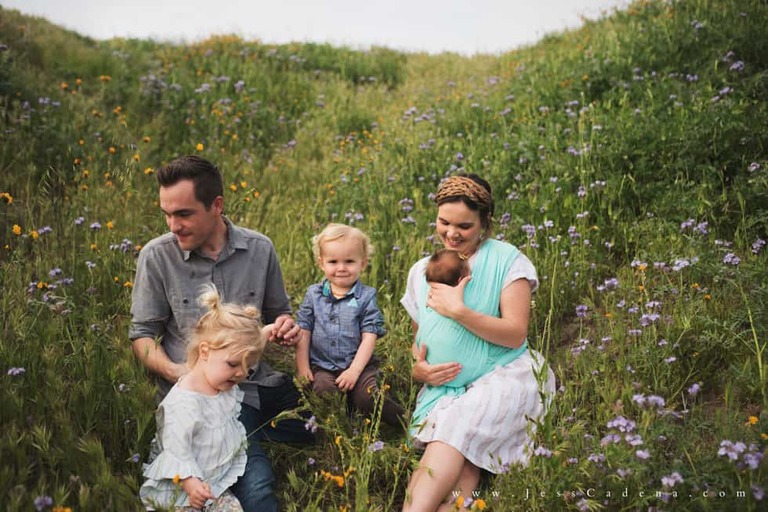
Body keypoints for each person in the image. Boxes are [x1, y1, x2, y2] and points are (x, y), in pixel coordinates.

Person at [130, 155, 314, 512]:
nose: (173, 225)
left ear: (216, 206)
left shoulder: (259, 249)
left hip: (258, 382)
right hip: (205, 400)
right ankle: (244, 443)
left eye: (183, 214)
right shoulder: (157, 256)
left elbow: (279, 313)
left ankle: (256, 432)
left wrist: (285, 328)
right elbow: (142, 336)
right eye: (166, 214)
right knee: (258, 485)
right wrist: (180, 372)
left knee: (321, 423)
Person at [400, 174, 556, 512]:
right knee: (465, 454)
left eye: (464, 226)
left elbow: (515, 333)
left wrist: (459, 311)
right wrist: (420, 369)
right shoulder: (422, 271)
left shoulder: (506, 260)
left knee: (453, 431)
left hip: (505, 373)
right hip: (448, 387)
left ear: (484, 222)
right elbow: (421, 338)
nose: (452, 233)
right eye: (444, 222)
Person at [140, 286, 272, 511]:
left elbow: (246, 349)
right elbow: (176, 450)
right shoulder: (184, 403)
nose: (241, 374)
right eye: (232, 364)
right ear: (204, 352)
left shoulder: (221, 384)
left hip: (213, 481)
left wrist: (267, 331)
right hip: (183, 488)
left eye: (247, 368)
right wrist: (191, 483)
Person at [295, 223, 405, 427]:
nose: (341, 268)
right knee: (323, 391)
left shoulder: (366, 296)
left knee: (367, 397)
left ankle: (406, 422)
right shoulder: (313, 294)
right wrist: (302, 367)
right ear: (321, 263)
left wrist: (354, 370)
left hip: (359, 365)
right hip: (322, 365)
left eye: (349, 261)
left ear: (362, 264)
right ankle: (343, 426)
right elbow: (304, 329)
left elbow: (369, 335)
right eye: (333, 261)